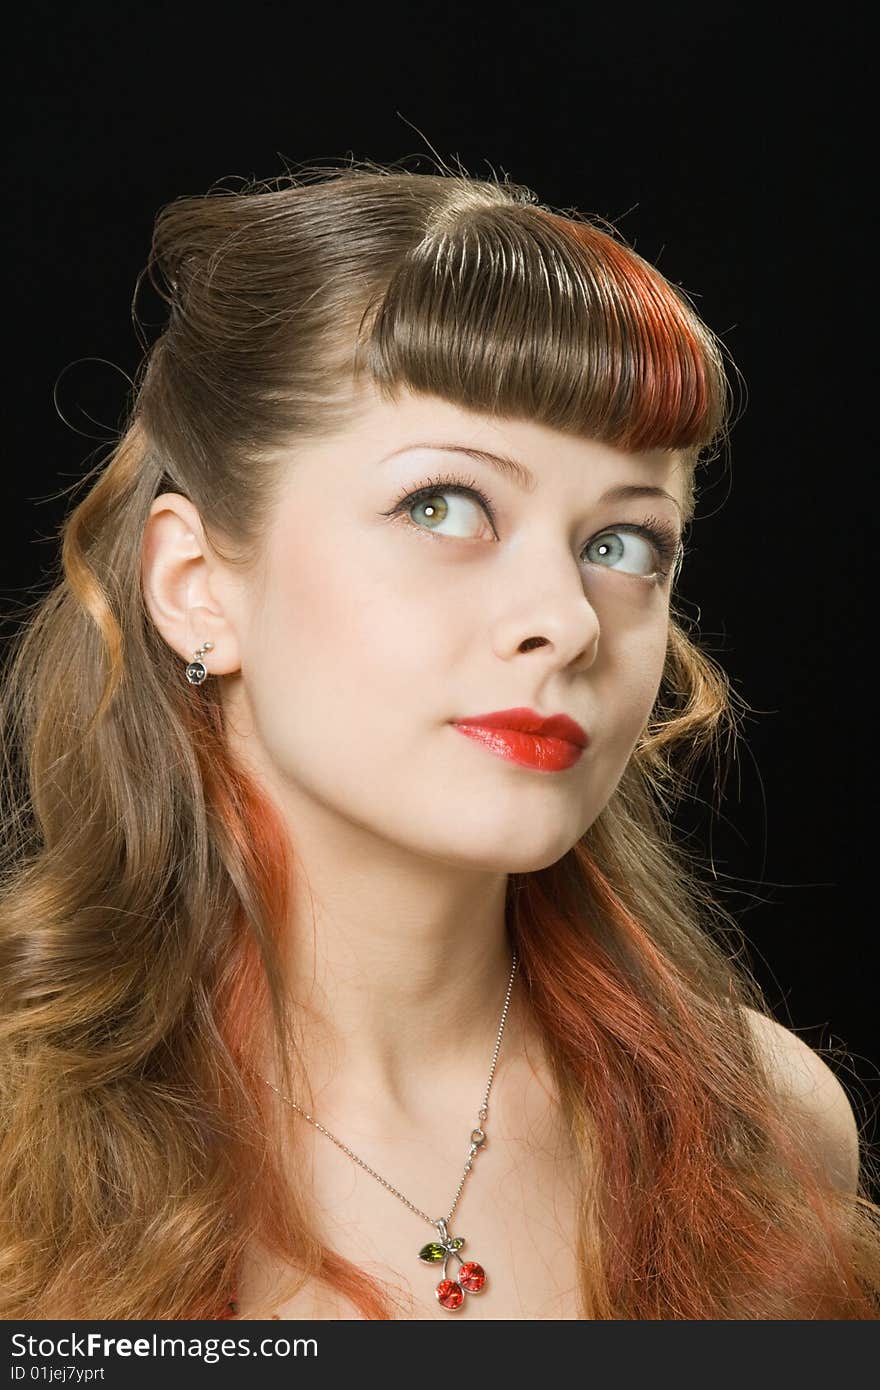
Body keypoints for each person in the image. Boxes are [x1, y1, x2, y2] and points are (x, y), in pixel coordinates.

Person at [1, 160, 878, 1322]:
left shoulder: (768, 1126)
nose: (565, 621)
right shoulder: (23, 1139)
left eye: (624, 543)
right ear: (195, 583)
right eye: (443, 507)